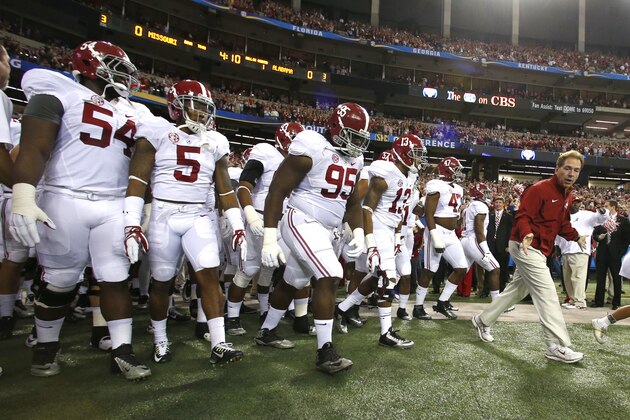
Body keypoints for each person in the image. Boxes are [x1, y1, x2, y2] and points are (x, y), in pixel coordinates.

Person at [9, 41, 151, 380]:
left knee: (116, 277)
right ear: (92, 65)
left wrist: (139, 208)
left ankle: (122, 352)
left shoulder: (136, 112)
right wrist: (24, 194)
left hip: (113, 201)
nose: (124, 78)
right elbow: (36, 144)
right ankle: (46, 347)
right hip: (64, 196)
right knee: (59, 282)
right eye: (116, 68)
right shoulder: (60, 90)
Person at [124, 79, 246, 365]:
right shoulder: (156, 131)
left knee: (209, 277)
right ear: (176, 107)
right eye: (196, 107)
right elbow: (138, 180)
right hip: (164, 214)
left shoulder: (214, 141)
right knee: (161, 283)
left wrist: (237, 224)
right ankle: (160, 339)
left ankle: (219, 343)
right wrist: (131, 222)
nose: (202, 114)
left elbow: (225, 189)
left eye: (206, 109)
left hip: (199, 215)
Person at [258, 102, 369, 375]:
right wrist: (270, 237)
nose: (355, 144)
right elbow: (276, 192)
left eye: (360, 138)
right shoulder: (312, 146)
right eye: (352, 136)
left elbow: (353, 203)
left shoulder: (355, 160)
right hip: (302, 219)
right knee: (330, 275)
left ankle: (266, 331)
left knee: (293, 281)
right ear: (335, 129)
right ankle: (325, 351)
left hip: (329, 228)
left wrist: (358, 232)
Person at [472, 150, 587, 364]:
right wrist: (527, 233)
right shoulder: (539, 189)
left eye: (576, 170)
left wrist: (577, 236)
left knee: (516, 291)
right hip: (525, 245)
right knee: (547, 292)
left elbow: (561, 225)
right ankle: (557, 345)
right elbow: (523, 215)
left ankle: (482, 320)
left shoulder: (566, 195)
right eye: (568, 168)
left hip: (540, 249)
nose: (572, 173)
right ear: (557, 169)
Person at [334, 134, 426, 348]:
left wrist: (396, 236)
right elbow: (367, 209)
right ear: (403, 154)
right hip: (376, 226)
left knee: (377, 278)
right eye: (416, 154)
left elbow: (401, 211)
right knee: (389, 279)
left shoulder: (410, 177)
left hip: (390, 230)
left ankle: (342, 309)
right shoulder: (384, 174)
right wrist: (372, 244)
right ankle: (386, 333)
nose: (419, 159)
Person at [225, 122, 304, 336]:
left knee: (276, 269)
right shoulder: (266, 152)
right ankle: (232, 317)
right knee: (247, 271)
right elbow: (244, 185)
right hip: (259, 218)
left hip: (283, 221)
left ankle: (268, 310)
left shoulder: (300, 162)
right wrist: (250, 216)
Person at [413, 156, 467, 320]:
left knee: (461, 268)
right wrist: (434, 235)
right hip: (436, 230)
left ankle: (442, 302)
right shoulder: (436, 185)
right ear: (447, 169)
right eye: (456, 169)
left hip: (450, 234)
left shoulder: (458, 188)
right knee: (429, 270)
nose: (459, 173)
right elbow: (428, 214)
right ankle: (418, 306)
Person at [556, 197, 608, 309]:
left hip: (580, 251)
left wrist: (602, 210)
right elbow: (558, 234)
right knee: (568, 278)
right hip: (565, 251)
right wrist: (557, 247)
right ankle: (572, 299)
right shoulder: (562, 216)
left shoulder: (586, 215)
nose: (576, 205)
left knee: (578, 277)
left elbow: (601, 218)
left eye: (578, 203)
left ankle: (579, 302)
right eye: (574, 203)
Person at [460, 182, 504, 303]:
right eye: (485, 192)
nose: (488, 195)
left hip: (465, 239)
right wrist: (486, 251)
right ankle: (497, 303)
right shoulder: (480, 205)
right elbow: (479, 229)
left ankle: (443, 301)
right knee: (495, 268)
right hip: (474, 240)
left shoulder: (470, 205)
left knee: (461, 271)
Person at [591, 200, 630, 310]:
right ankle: (599, 302)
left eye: (607, 206)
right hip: (602, 253)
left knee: (616, 279)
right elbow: (595, 234)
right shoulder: (602, 220)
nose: (605, 207)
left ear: (613, 207)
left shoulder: (624, 220)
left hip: (615, 255)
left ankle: (616, 302)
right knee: (600, 278)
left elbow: (626, 239)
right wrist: (599, 238)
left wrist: (620, 253)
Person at [485, 196, 512, 294]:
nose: (498, 204)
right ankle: (486, 289)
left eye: (500, 202)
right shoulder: (489, 215)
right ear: (493, 204)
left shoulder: (508, 216)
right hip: (490, 245)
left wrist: (508, 245)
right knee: (489, 267)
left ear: (503, 204)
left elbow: (510, 232)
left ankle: (501, 288)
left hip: (503, 247)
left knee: (503, 269)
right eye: (496, 202)